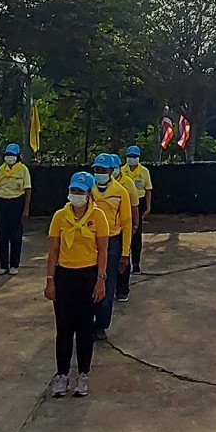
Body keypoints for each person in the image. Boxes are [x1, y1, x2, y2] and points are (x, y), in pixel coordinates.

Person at [46, 170, 110, 397]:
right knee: (63, 329)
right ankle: (62, 375)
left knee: (84, 329)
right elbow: (53, 250)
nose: (76, 195)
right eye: (73, 190)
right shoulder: (60, 217)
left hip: (88, 275)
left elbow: (102, 251)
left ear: (89, 194)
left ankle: (83, 374)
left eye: (80, 191)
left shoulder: (98, 217)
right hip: (65, 276)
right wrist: (50, 280)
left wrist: (101, 279)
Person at [91, 152, 135, 332]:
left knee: (107, 285)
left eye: (102, 169)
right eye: (96, 169)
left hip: (111, 242)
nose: (99, 172)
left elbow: (126, 223)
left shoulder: (120, 192)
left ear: (110, 171)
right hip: (90, 241)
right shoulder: (87, 189)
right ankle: (88, 320)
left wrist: (125, 253)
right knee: (89, 282)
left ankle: (101, 325)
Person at [118, 145, 154, 294]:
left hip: (137, 204)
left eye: (135, 156)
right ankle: (123, 260)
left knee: (136, 234)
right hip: (122, 204)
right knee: (123, 234)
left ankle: (136, 263)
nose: (132, 159)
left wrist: (148, 208)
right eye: (130, 156)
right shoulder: (121, 171)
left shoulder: (144, 172)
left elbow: (148, 191)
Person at [0, 141, 32, 274]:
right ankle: (3, 265)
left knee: (16, 235)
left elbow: (27, 190)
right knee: (3, 235)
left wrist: (26, 209)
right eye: (8, 155)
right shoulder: (0, 170)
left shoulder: (23, 170)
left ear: (17, 156)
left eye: (12, 155)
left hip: (17, 202)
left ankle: (14, 264)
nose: (10, 157)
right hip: (3, 202)